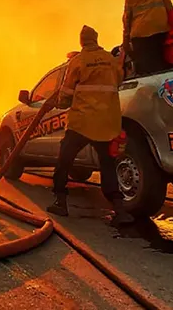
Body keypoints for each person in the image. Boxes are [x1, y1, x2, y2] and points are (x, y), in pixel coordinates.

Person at [46, 25, 133, 225]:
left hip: (81, 123)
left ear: (82, 41)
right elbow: (119, 80)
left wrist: (60, 102)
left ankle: (60, 202)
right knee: (108, 165)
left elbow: (67, 95)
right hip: (106, 123)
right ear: (96, 39)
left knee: (65, 159)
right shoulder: (111, 61)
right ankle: (119, 210)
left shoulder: (78, 61)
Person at [122, 0, 173, 75]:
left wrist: (125, 41)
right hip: (160, 31)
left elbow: (127, 17)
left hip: (140, 35)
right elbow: (171, 10)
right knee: (159, 63)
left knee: (143, 68)